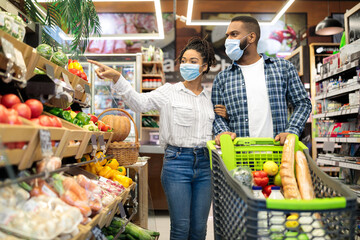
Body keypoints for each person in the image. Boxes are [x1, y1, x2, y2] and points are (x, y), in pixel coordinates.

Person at [88, 37, 217, 240]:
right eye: (184, 60)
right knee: (181, 227)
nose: (186, 65)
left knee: (200, 228)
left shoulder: (210, 98)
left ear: (205, 66)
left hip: (205, 164)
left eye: (193, 61)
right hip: (177, 163)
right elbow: (140, 103)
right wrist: (117, 78)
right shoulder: (169, 91)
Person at [212, 16, 312, 145]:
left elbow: (303, 103)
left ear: (251, 37)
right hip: (240, 155)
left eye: (234, 34)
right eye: (227, 36)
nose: (228, 40)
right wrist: (223, 132)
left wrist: (291, 131)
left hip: (276, 153)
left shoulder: (282, 68)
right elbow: (216, 116)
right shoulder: (222, 78)